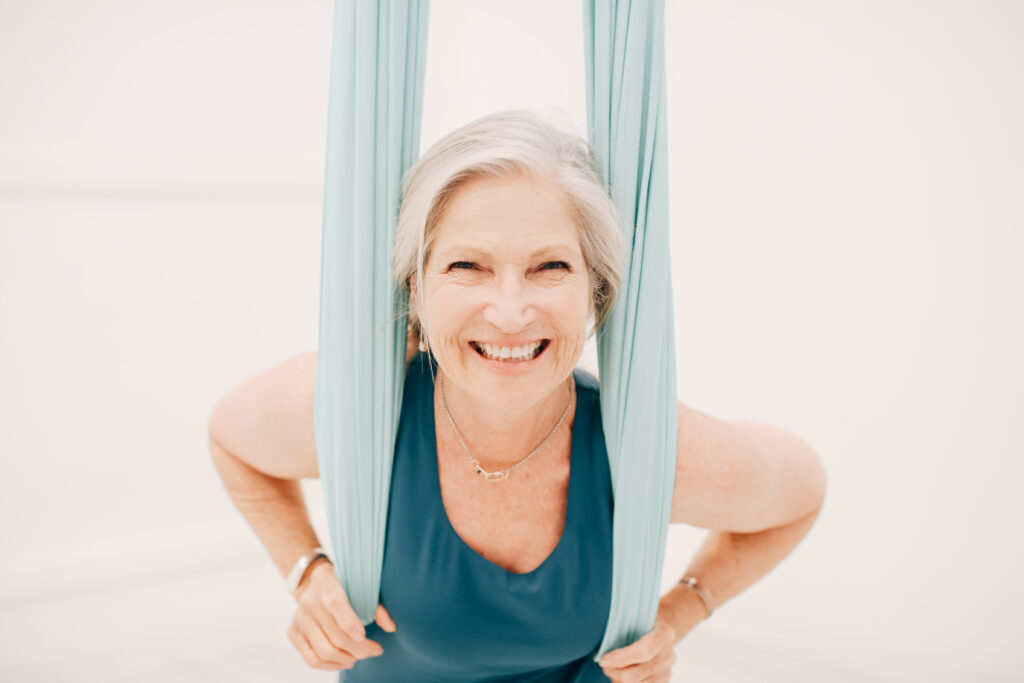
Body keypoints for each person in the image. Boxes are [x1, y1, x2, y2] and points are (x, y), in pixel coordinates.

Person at [208, 110, 827, 682]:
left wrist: (683, 610)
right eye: (466, 267)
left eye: (550, 267)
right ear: (416, 286)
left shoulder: (640, 446)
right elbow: (232, 440)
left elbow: (799, 493)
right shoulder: (364, 407)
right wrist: (304, 569)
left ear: (597, 290)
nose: (509, 312)